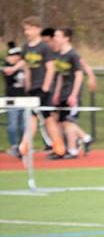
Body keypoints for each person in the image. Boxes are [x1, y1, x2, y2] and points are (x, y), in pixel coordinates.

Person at [14, 17, 65, 158]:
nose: (26, 32)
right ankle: (59, 147)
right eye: (25, 29)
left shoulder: (44, 47)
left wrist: (45, 89)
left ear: (37, 29)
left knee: (34, 117)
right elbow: (26, 66)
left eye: (29, 28)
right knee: (46, 118)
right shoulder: (26, 47)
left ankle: (23, 147)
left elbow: (50, 69)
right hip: (32, 89)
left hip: (43, 89)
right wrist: (26, 83)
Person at [49, 28, 84, 159]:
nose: (55, 38)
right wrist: (57, 93)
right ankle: (61, 149)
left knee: (69, 122)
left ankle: (73, 149)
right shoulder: (59, 55)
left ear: (66, 38)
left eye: (58, 36)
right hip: (62, 93)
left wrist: (74, 95)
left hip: (71, 94)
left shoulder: (73, 55)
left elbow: (79, 76)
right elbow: (60, 76)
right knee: (59, 121)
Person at [3, 42, 26, 156]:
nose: (16, 57)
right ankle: (14, 146)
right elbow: (9, 74)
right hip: (12, 99)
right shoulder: (7, 67)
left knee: (23, 126)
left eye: (18, 55)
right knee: (12, 125)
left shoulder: (24, 66)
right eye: (13, 55)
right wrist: (12, 64)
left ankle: (22, 146)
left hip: (25, 99)